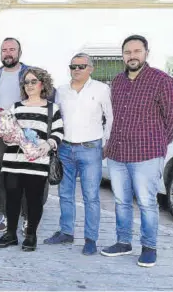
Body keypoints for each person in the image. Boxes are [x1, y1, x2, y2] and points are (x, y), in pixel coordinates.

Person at [101, 35, 173, 267]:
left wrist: (158, 144)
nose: (132, 56)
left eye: (137, 51)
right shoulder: (117, 81)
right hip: (118, 153)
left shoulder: (162, 80)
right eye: (128, 52)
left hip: (147, 153)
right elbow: (113, 116)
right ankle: (123, 242)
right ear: (123, 55)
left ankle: (149, 247)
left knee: (147, 202)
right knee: (121, 200)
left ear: (147, 52)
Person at [43, 53, 113, 255]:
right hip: (65, 148)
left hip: (90, 148)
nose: (76, 70)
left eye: (81, 66)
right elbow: (56, 118)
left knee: (91, 196)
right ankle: (66, 232)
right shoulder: (62, 91)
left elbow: (110, 117)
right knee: (65, 193)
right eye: (73, 66)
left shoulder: (101, 89)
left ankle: (90, 239)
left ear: (91, 68)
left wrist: (106, 142)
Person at [0, 67, 63, 252]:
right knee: (12, 199)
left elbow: (58, 132)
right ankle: (10, 235)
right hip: (13, 161)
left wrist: (48, 145)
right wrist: (6, 136)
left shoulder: (51, 108)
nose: (30, 85)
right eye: (27, 82)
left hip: (37, 162)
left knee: (34, 200)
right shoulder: (15, 107)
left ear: (42, 84)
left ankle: (31, 235)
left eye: (34, 81)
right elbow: (6, 133)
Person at [0, 37, 31, 233]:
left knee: (26, 176)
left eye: (12, 49)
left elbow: (46, 97)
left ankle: (28, 218)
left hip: (25, 133)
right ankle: (7, 216)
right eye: (4, 50)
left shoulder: (31, 73)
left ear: (19, 52)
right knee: (3, 176)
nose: (8, 53)